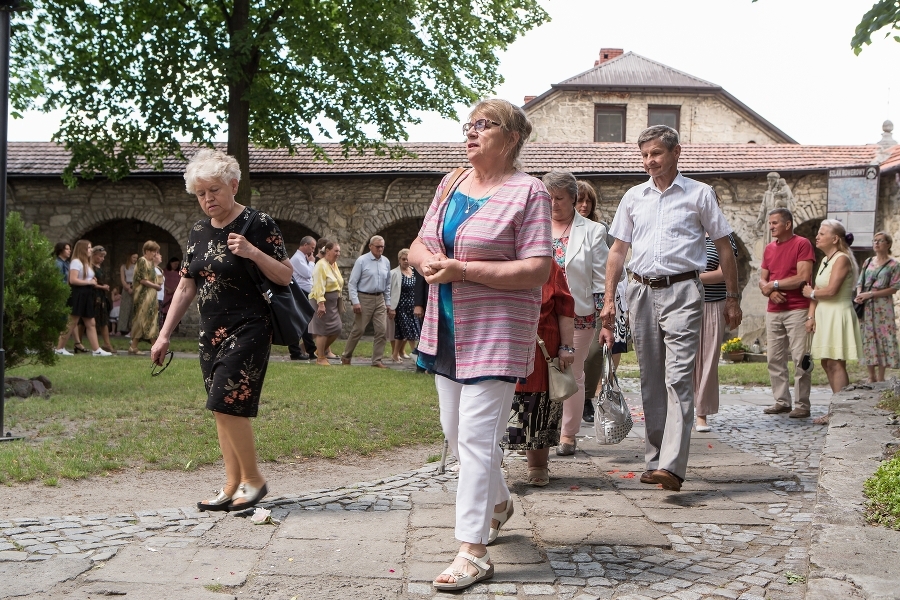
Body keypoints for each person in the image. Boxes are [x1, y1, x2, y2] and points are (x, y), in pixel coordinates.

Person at [409, 98, 551, 590]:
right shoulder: (450, 183)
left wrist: (464, 270)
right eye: (468, 124)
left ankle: (473, 550)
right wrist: (427, 262)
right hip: (447, 328)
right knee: (455, 431)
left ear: (512, 138)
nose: (471, 132)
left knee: (474, 436)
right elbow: (420, 243)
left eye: (484, 125)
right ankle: (499, 501)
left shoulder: (529, 192)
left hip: (497, 331)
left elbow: (537, 268)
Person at [600, 125, 741, 493]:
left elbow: (725, 247)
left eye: (656, 153)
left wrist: (732, 297)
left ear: (676, 153)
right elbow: (617, 251)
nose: (650, 161)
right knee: (651, 378)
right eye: (645, 155)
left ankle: (672, 466)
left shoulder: (700, 193)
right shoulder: (633, 197)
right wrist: (609, 299)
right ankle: (655, 460)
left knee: (678, 376)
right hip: (640, 291)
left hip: (683, 290)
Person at [152, 148, 292, 512]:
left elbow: (285, 275)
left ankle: (254, 480)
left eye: (213, 190)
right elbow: (186, 286)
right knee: (221, 409)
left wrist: (252, 252)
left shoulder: (259, 223)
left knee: (226, 401)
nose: (207, 199)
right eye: (200, 193)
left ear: (233, 185)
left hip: (250, 327)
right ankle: (232, 484)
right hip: (210, 332)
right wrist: (164, 334)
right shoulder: (199, 231)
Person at [543, 171, 613, 456]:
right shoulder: (534, 226)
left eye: (559, 198)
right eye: (549, 198)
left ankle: (567, 434)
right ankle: (538, 430)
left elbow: (602, 280)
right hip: (540, 313)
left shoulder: (593, 231)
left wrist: (606, 321)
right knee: (537, 373)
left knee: (571, 372)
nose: (553, 203)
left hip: (578, 315)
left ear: (573, 198)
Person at [501, 261, 575, 486]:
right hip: (500, 345)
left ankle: (538, 465)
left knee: (539, 406)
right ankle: (489, 467)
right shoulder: (495, 258)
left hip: (541, 348)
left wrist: (567, 347)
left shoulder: (549, 266)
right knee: (496, 404)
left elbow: (565, 308)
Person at [576, 180, 629, 423]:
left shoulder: (601, 229)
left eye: (589, 201)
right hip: (571, 297)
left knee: (596, 350)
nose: (585, 205)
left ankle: (587, 397)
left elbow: (615, 266)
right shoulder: (557, 229)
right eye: (580, 200)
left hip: (598, 296)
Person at [758, 208, 815, 418]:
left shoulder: (802, 244)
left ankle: (802, 405)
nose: (771, 227)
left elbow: (802, 277)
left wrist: (773, 285)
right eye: (770, 223)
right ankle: (782, 401)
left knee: (800, 358)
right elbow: (762, 279)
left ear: (787, 224)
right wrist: (770, 291)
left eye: (774, 223)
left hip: (798, 308)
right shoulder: (769, 249)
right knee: (774, 358)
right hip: (774, 310)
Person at [802, 220, 862, 394]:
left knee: (836, 362)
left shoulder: (842, 259)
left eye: (822, 234)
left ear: (835, 239)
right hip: (824, 314)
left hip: (837, 314)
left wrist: (811, 293)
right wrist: (811, 316)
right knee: (826, 362)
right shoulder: (825, 260)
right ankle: (837, 401)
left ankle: (842, 404)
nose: (817, 236)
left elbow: (831, 291)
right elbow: (817, 288)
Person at [693, 233, 738, 432]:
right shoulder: (687, 231)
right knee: (683, 359)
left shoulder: (723, 236)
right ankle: (680, 409)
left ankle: (701, 413)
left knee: (708, 359)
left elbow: (723, 272)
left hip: (713, 304)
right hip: (684, 303)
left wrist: (690, 277)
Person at [341, 235, 393, 368]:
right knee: (359, 329)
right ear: (370, 246)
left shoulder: (386, 262)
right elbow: (352, 283)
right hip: (364, 297)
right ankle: (346, 356)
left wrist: (388, 302)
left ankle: (377, 360)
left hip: (380, 298)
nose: (380, 249)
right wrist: (355, 301)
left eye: (382, 247)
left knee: (382, 330)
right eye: (377, 246)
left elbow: (388, 284)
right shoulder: (362, 261)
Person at [55, 239, 113, 356]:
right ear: (82, 249)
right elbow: (73, 280)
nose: (91, 250)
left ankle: (96, 350)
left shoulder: (86, 262)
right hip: (78, 293)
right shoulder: (76, 262)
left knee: (91, 322)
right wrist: (89, 282)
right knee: (72, 322)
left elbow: (86, 277)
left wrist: (92, 280)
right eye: (89, 247)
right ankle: (59, 348)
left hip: (87, 293)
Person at [855, 232, 900, 382]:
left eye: (880, 241)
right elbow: (860, 282)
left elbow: (894, 288)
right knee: (868, 337)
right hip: (867, 306)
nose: (876, 243)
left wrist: (871, 294)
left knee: (883, 336)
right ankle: (871, 375)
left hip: (883, 306)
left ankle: (881, 376)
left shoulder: (894, 265)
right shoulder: (868, 261)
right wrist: (860, 295)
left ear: (888, 244)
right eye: (874, 240)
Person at [308, 240, 344, 366]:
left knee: (337, 328)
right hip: (321, 302)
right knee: (322, 330)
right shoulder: (321, 265)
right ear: (327, 251)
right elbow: (318, 285)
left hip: (332, 303)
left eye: (339, 251)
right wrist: (321, 304)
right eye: (336, 251)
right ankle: (321, 357)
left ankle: (320, 350)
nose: (338, 254)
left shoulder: (333, 264)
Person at [128, 241, 163, 355]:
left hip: (151, 296)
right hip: (143, 296)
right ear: (147, 251)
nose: (155, 254)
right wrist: (155, 286)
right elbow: (142, 280)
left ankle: (136, 346)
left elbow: (158, 279)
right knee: (143, 319)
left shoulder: (151, 263)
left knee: (150, 319)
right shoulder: (142, 261)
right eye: (153, 252)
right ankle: (154, 347)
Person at [287, 236, 318, 360]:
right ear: (305, 245)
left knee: (304, 322)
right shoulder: (297, 259)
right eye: (312, 247)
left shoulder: (303, 258)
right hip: (300, 293)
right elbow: (308, 274)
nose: (313, 250)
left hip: (305, 293)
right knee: (301, 321)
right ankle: (298, 351)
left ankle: (309, 350)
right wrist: (312, 262)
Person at [389, 248, 421, 362]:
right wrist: (391, 308)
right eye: (403, 259)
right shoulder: (393, 273)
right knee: (406, 330)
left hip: (412, 306)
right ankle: (415, 354)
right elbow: (389, 291)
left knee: (406, 331)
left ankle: (395, 354)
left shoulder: (414, 272)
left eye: (408, 259)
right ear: (399, 260)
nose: (406, 261)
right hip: (400, 306)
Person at [89, 245, 115, 353]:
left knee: (104, 320)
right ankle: (79, 342)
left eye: (103, 256)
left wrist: (104, 287)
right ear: (94, 255)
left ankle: (107, 344)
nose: (102, 259)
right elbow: (90, 282)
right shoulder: (90, 267)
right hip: (93, 295)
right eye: (100, 256)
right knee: (87, 320)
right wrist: (102, 287)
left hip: (101, 295)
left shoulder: (99, 267)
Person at [118, 252, 138, 335]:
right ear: (130, 257)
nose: (135, 259)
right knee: (125, 307)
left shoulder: (137, 266)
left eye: (136, 258)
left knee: (133, 308)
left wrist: (134, 287)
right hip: (127, 285)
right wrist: (127, 287)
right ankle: (122, 328)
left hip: (135, 287)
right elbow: (122, 278)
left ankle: (131, 328)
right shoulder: (123, 267)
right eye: (133, 257)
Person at [161, 257, 182, 331]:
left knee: (174, 311)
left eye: (177, 264)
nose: (176, 265)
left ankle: (174, 328)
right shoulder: (164, 271)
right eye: (175, 263)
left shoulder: (179, 273)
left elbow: (181, 283)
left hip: (175, 293)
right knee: (165, 310)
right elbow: (161, 281)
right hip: (166, 293)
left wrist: (174, 290)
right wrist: (167, 289)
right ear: (170, 263)